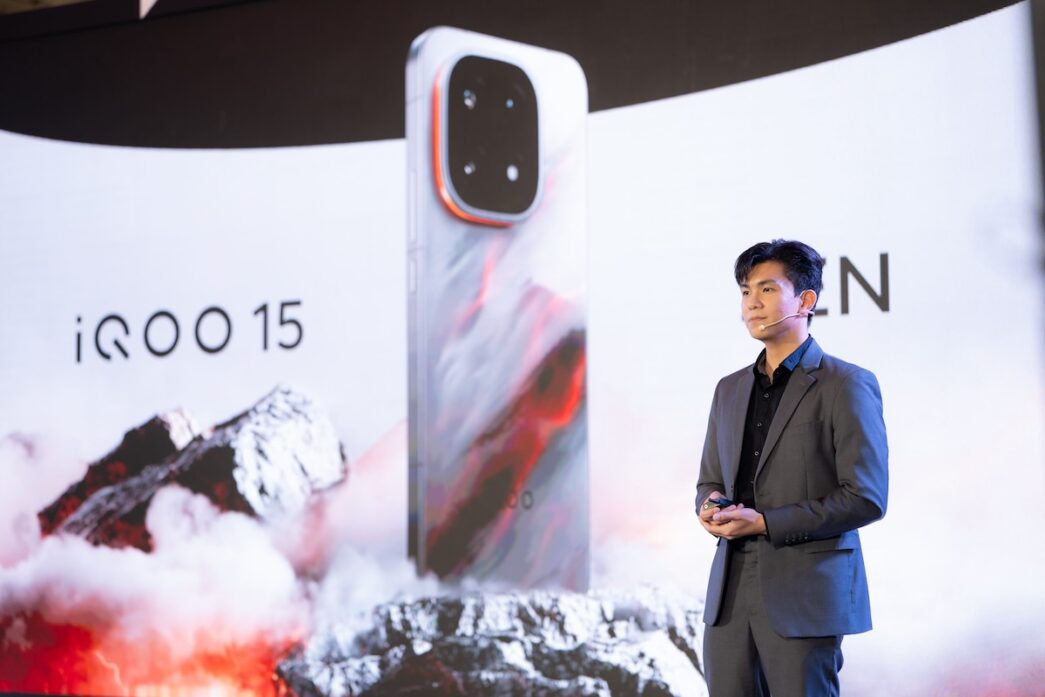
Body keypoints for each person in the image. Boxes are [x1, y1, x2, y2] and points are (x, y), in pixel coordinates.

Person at [696, 239, 888, 697]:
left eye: (766, 289)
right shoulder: (728, 389)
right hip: (729, 594)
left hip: (806, 594)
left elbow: (865, 497)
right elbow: (709, 479)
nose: (751, 303)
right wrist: (708, 506)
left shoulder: (846, 383)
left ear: (805, 300)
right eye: (745, 291)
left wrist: (765, 522)